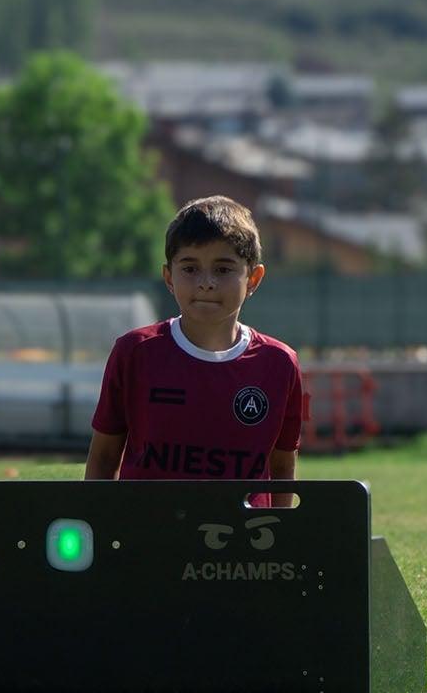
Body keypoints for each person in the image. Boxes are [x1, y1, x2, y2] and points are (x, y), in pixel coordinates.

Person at [85, 195, 303, 505]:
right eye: (190, 268)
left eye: (223, 269)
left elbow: (282, 470)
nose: (206, 283)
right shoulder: (135, 352)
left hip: (244, 547)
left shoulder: (279, 363)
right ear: (169, 277)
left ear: (253, 279)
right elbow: (104, 459)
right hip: (146, 541)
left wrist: (278, 541)